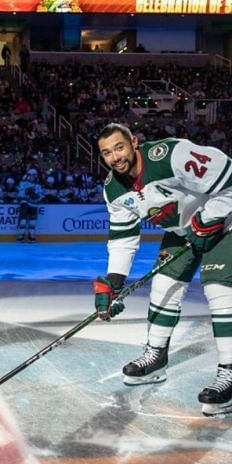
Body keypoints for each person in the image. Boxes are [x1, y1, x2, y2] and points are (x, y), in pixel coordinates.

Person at [94, 122, 232, 416]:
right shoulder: (113, 189)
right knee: (164, 286)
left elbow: (230, 177)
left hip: (227, 222)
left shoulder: (171, 155)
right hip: (183, 230)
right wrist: (114, 281)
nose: (115, 157)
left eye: (119, 147)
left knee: (218, 289)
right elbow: (123, 237)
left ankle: (229, 372)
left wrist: (211, 217)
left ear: (134, 142)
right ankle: (156, 357)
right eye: (107, 153)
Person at [16, 168, 43, 242]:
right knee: (23, 221)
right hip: (25, 204)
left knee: (32, 222)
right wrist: (27, 193)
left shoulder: (38, 185)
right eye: (33, 175)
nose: (34, 177)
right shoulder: (23, 183)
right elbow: (19, 194)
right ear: (29, 175)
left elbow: (41, 196)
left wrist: (36, 196)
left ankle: (32, 236)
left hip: (34, 205)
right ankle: (21, 236)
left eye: (35, 175)